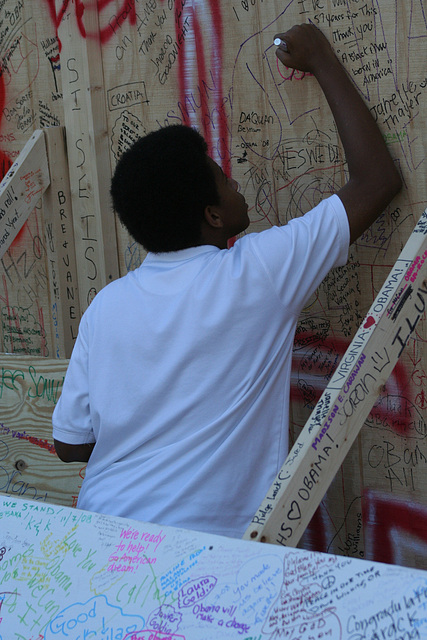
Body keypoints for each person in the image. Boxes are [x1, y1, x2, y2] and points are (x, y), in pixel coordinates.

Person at [52, 24, 401, 538]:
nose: (236, 179)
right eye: (224, 176)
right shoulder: (256, 274)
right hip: (215, 561)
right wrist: (322, 59)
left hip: (102, 542)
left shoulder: (107, 305)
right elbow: (377, 181)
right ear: (213, 216)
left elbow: (70, 445)